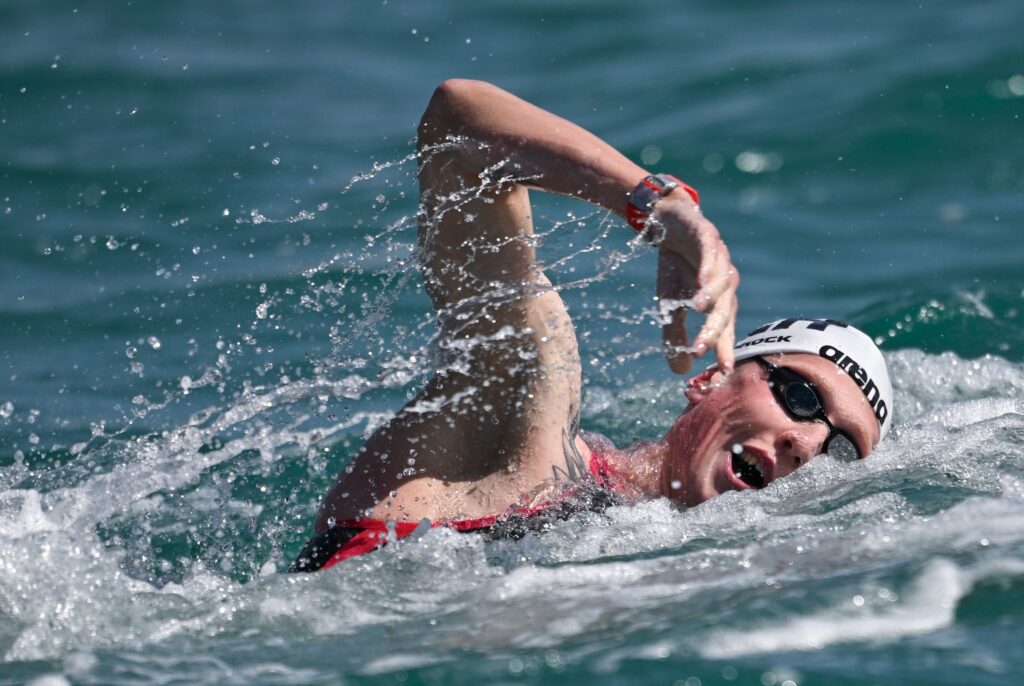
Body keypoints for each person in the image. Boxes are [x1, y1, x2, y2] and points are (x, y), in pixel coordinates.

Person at [289, 79, 893, 572]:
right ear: (709, 379)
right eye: (801, 396)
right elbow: (457, 126)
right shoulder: (530, 446)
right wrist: (661, 205)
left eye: (841, 451)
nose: (808, 445)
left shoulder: (690, 571)